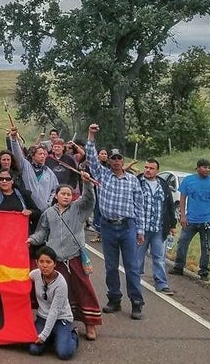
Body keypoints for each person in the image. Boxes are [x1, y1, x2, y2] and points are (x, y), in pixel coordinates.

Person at [27, 175, 101, 340]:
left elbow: (89, 200)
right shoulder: (48, 213)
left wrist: (87, 183)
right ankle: (59, 322)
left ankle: (91, 324)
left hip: (74, 256)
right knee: (57, 292)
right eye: (63, 194)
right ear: (56, 195)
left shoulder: (78, 209)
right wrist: (32, 239)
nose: (66, 196)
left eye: (69, 194)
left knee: (84, 289)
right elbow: (42, 232)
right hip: (56, 260)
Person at [85, 124, 145, 320]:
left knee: (132, 267)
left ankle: (136, 302)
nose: (117, 161)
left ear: (123, 161)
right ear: (109, 160)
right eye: (113, 158)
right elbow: (91, 158)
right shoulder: (102, 175)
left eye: (120, 158)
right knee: (111, 266)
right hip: (108, 227)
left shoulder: (132, 180)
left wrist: (140, 230)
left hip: (128, 227)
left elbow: (139, 206)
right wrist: (91, 136)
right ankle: (114, 299)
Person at [170, 159, 210, 281]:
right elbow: (183, 198)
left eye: (209, 168)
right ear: (198, 168)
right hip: (191, 219)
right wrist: (183, 215)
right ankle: (178, 267)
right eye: (205, 167)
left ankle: (204, 271)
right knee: (182, 243)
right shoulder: (189, 181)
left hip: (208, 221)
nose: (207, 170)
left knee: (206, 246)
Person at [28, 246, 79, 360]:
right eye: (41, 261)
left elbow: (54, 312)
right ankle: (52, 337)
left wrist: (44, 335)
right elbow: (21, 280)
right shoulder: (35, 274)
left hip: (61, 319)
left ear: (55, 264)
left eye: (48, 262)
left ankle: (74, 335)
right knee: (34, 349)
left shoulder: (61, 284)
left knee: (64, 353)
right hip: (42, 318)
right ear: (36, 262)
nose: (44, 265)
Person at [136, 159, 177, 294]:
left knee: (159, 257)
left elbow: (170, 205)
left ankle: (161, 284)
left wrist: (172, 225)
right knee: (137, 257)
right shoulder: (137, 182)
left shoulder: (163, 185)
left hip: (159, 228)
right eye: (146, 167)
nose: (148, 170)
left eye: (151, 168)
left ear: (157, 171)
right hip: (141, 228)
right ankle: (134, 281)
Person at [10, 128, 59, 212]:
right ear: (32, 155)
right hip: (26, 210)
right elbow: (18, 156)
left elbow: (55, 189)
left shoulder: (49, 173)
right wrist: (14, 140)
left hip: (44, 211)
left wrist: (49, 203)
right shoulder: (25, 167)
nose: (43, 156)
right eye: (40, 154)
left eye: (44, 154)